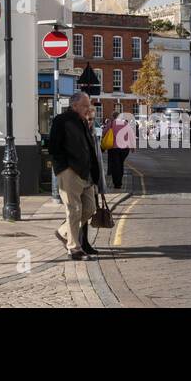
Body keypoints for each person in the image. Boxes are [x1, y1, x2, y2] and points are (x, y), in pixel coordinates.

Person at [49, 92, 104, 260]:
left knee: (90, 208)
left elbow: (89, 149)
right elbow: (54, 147)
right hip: (70, 172)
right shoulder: (61, 120)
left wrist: (94, 174)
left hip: (86, 173)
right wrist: (65, 168)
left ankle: (63, 232)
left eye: (89, 105)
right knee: (74, 210)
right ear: (74, 106)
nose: (89, 109)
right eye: (85, 105)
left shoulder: (82, 122)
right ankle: (74, 248)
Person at [105, 110, 135, 189]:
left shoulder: (110, 124)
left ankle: (117, 183)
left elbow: (104, 133)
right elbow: (131, 135)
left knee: (115, 166)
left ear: (113, 117)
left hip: (113, 148)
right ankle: (119, 182)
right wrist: (132, 147)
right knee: (120, 164)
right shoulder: (125, 124)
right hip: (125, 149)